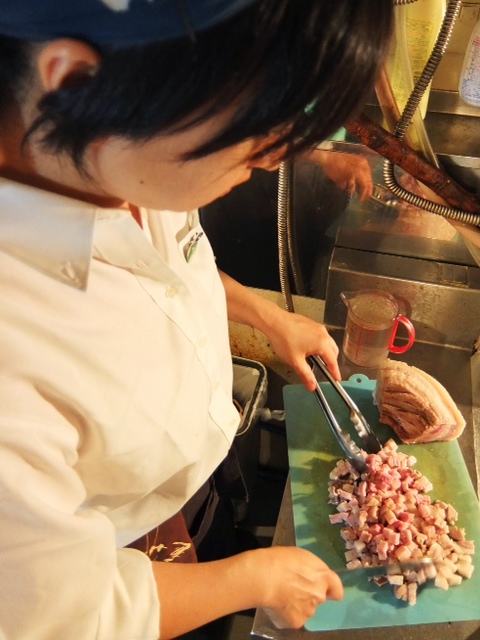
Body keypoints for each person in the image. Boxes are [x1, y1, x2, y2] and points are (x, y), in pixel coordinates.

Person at [0, 1, 394, 639]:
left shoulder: (116, 157)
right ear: (76, 85)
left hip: (198, 476)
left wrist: (269, 317)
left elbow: (174, 265)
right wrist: (253, 581)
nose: (274, 159)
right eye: (254, 128)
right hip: (127, 557)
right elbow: (63, 618)